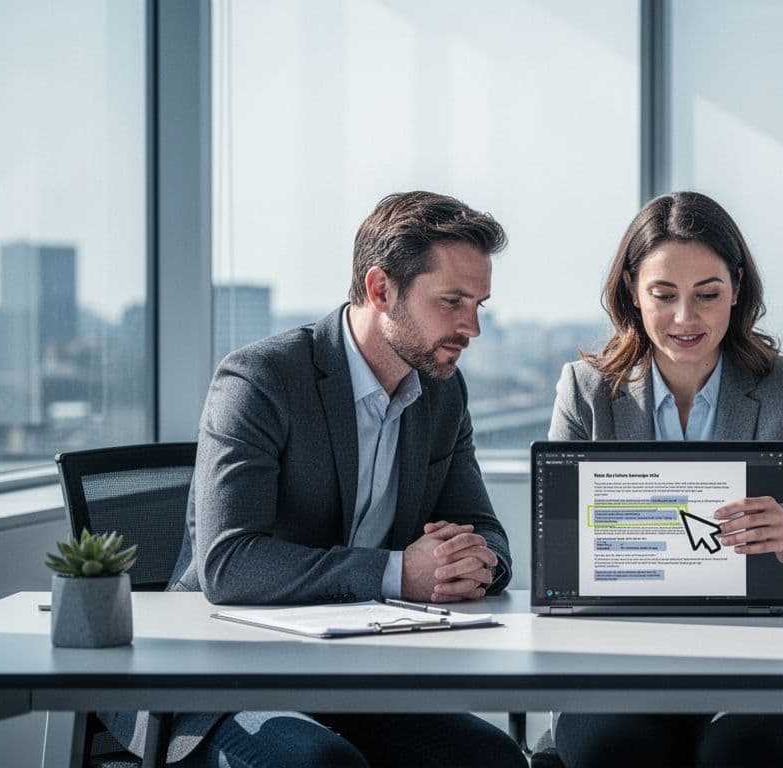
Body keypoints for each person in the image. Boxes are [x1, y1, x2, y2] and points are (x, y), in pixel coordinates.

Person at [102, 191, 527, 768]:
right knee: (321, 765)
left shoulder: (441, 391)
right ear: (381, 290)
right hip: (223, 680)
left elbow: (485, 531)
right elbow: (229, 563)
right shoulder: (260, 379)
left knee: (492, 758)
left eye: (480, 304)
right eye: (452, 301)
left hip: (356, 677)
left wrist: (476, 562)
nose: (472, 327)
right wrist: (402, 571)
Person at [548, 191, 783, 768]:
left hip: (759, 661)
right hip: (620, 662)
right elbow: (558, 564)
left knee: (741, 752)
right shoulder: (585, 390)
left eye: (708, 295)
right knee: (620, 750)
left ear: (737, 287)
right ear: (632, 290)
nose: (686, 319)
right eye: (663, 295)